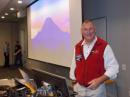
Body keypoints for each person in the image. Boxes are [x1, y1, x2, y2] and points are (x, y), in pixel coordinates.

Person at [69, 19, 119, 97]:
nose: (88, 32)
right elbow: (74, 65)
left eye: (90, 29)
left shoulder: (103, 46)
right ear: (81, 31)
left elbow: (114, 68)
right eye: (85, 29)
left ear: (94, 30)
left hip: (96, 90)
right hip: (79, 89)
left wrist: (99, 80)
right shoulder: (77, 47)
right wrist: (74, 81)